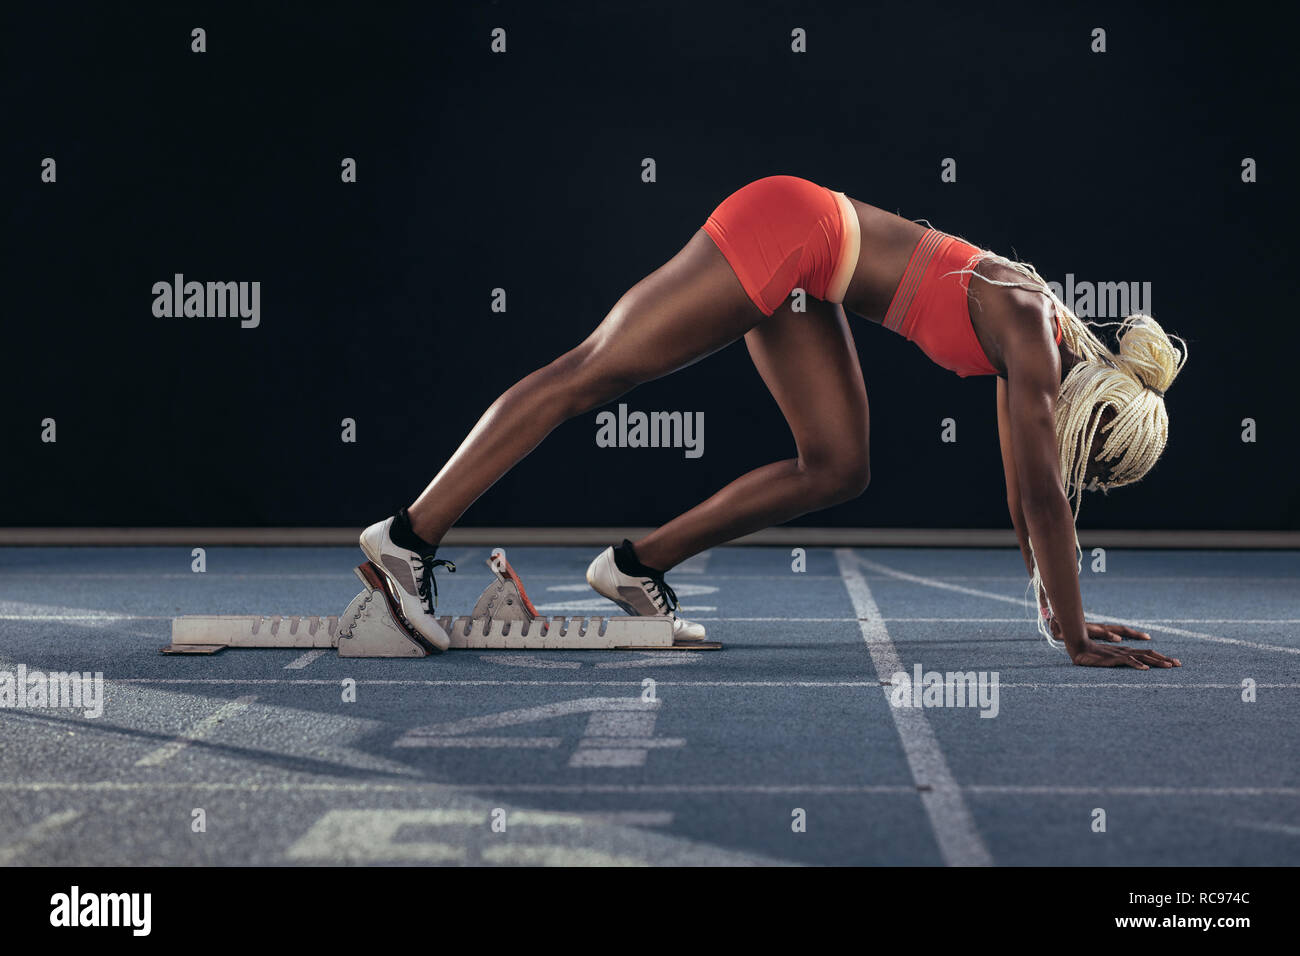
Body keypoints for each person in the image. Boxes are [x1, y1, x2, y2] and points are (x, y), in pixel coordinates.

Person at [360, 175, 1186, 669]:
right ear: (1086, 416)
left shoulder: (1037, 348)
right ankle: (408, 537)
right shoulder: (1033, 335)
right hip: (787, 231)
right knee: (590, 372)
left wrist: (1053, 608)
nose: (1078, 473)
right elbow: (1045, 502)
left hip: (811, 270)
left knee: (836, 462)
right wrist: (1076, 638)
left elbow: (1026, 497)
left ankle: (632, 566)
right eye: (1092, 460)